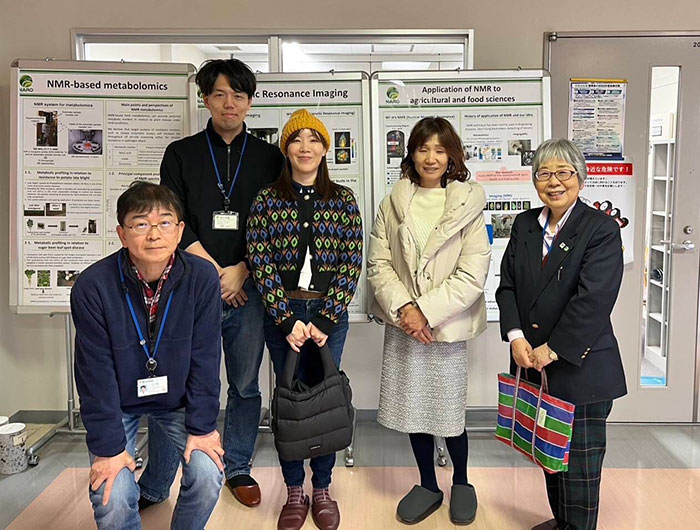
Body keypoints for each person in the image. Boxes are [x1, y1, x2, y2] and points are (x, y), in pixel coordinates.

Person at [141, 58, 285, 509]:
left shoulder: (269, 157)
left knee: (244, 384)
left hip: (249, 289)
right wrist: (216, 274)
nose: (229, 103)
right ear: (205, 98)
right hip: (190, 288)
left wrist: (244, 269)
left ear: (250, 101)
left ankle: (237, 465)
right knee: (176, 384)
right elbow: (171, 220)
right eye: (219, 94)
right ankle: (160, 479)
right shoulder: (181, 153)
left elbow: (276, 224)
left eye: (238, 95)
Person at [71, 181, 224, 529]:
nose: (154, 234)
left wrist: (202, 429)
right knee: (113, 496)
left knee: (207, 473)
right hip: (119, 403)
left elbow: (205, 360)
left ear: (180, 231)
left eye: (165, 223)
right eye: (141, 224)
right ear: (122, 234)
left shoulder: (202, 278)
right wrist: (109, 451)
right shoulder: (93, 286)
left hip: (177, 401)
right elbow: (95, 376)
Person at [495, 138, 627, 530]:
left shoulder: (600, 229)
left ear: (580, 178)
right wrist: (516, 337)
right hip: (533, 362)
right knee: (549, 453)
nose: (554, 182)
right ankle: (561, 521)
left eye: (564, 172)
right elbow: (507, 286)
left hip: (580, 367)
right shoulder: (525, 225)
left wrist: (551, 349)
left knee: (580, 468)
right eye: (544, 173)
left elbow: (594, 300)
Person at [367, 117, 491, 525]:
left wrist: (426, 311)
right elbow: (379, 264)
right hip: (406, 325)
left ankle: (462, 482)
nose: (431, 158)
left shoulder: (469, 204)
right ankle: (427, 484)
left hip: (445, 326)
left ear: (452, 155)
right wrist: (406, 309)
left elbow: (473, 273)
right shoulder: (393, 202)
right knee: (413, 409)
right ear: (412, 154)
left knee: (449, 412)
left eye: (440, 150)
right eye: (423, 149)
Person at [246, 109, 363, 530]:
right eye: (297, 139)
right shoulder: (267, 200)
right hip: (285, 316)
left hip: (328, 316)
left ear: (325, 149)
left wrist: (326, 320)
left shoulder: (343, 200)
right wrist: (285, 320)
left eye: (314, 139)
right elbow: (260, 262)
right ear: (286, 148)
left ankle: (323, 488)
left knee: (324, 401)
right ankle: (294, 489)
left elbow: (352, 261)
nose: (305, 147)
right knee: (291, 403)